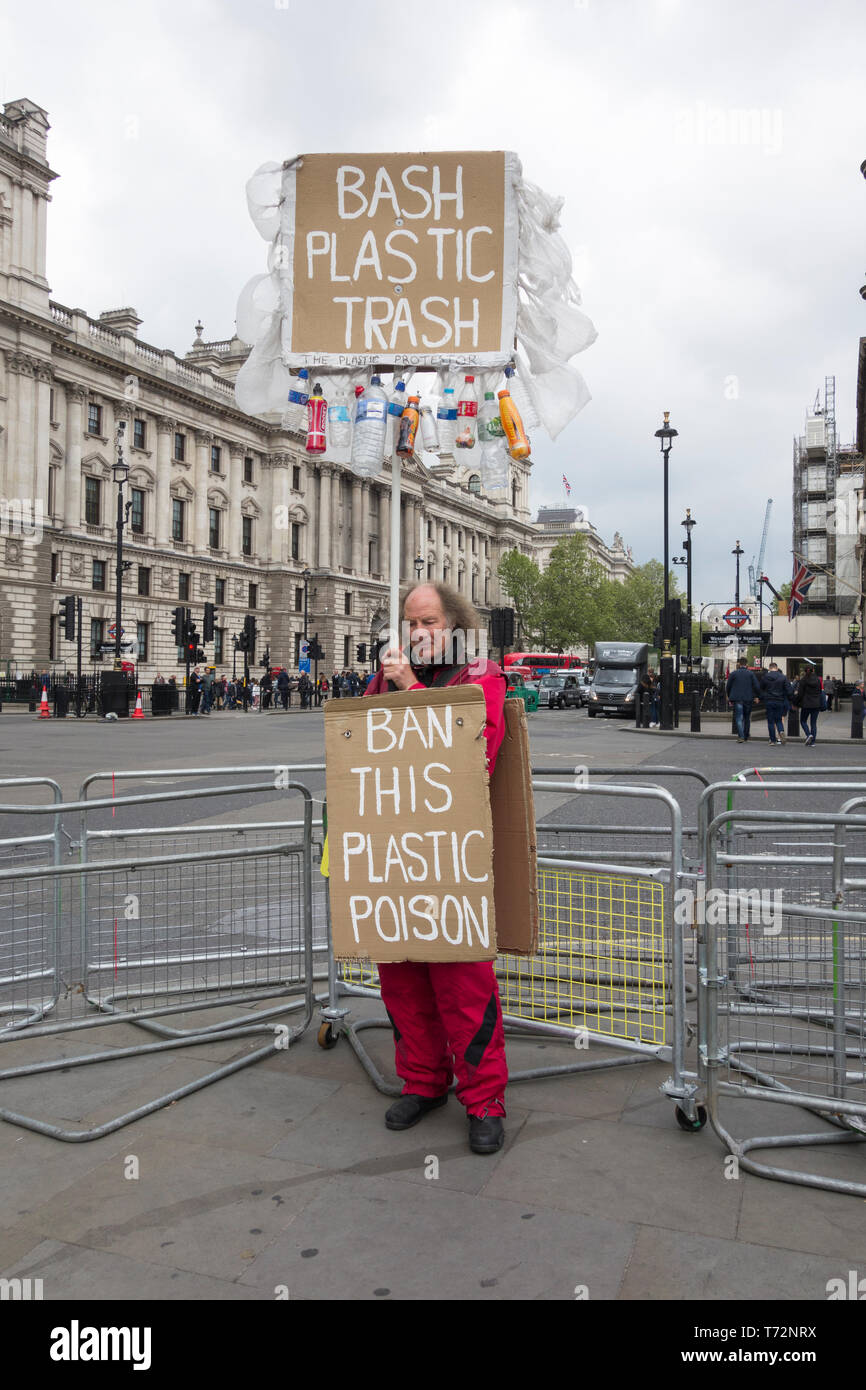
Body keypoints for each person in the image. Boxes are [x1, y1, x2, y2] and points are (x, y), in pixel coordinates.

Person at [364, 582, 509, 1157]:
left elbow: (469, 755)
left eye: (427, 622)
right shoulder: (388, 673)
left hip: (453, 858)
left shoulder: (481, 676)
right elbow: (363, 742)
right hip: (395, 853)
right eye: (409, 623)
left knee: (462, 983)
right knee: (401, 976)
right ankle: (423, 1081)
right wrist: (387, 685)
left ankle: (484, 1100)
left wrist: (409, 687)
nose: (417, 633)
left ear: (456, 624)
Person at [726, 657, 761, 742]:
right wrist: (757, 696)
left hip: (737, 699)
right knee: (747, 717)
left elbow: (728, 686)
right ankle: (746, 735)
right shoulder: (751, 674)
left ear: (739, 664)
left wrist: (729, 696)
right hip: (748, 698)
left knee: (738, 718)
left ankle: (741, 736)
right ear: (747, 664)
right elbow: (756, 686)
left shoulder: (734, 674)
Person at [759, 662, 791, 745]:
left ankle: (772, 740)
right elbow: (789, 690)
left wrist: (762, 697)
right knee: (779, 720)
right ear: (776, 668)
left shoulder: (765, 677)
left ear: (769, 668)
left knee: (770, 721)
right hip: (779, 701)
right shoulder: (783, 677)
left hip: (769, 701)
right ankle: (781, 731)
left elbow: (760, 689)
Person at [794, 664, 822, 745]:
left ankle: (808, 734)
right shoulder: (817, 680)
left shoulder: (803, 680)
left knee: (803, 721)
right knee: (813, 723)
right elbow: (820, 691)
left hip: (806, 704)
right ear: (813, 670)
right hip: (816, 703)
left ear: (805, 671)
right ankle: (813, 742)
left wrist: (795, 703)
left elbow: (800, 694)